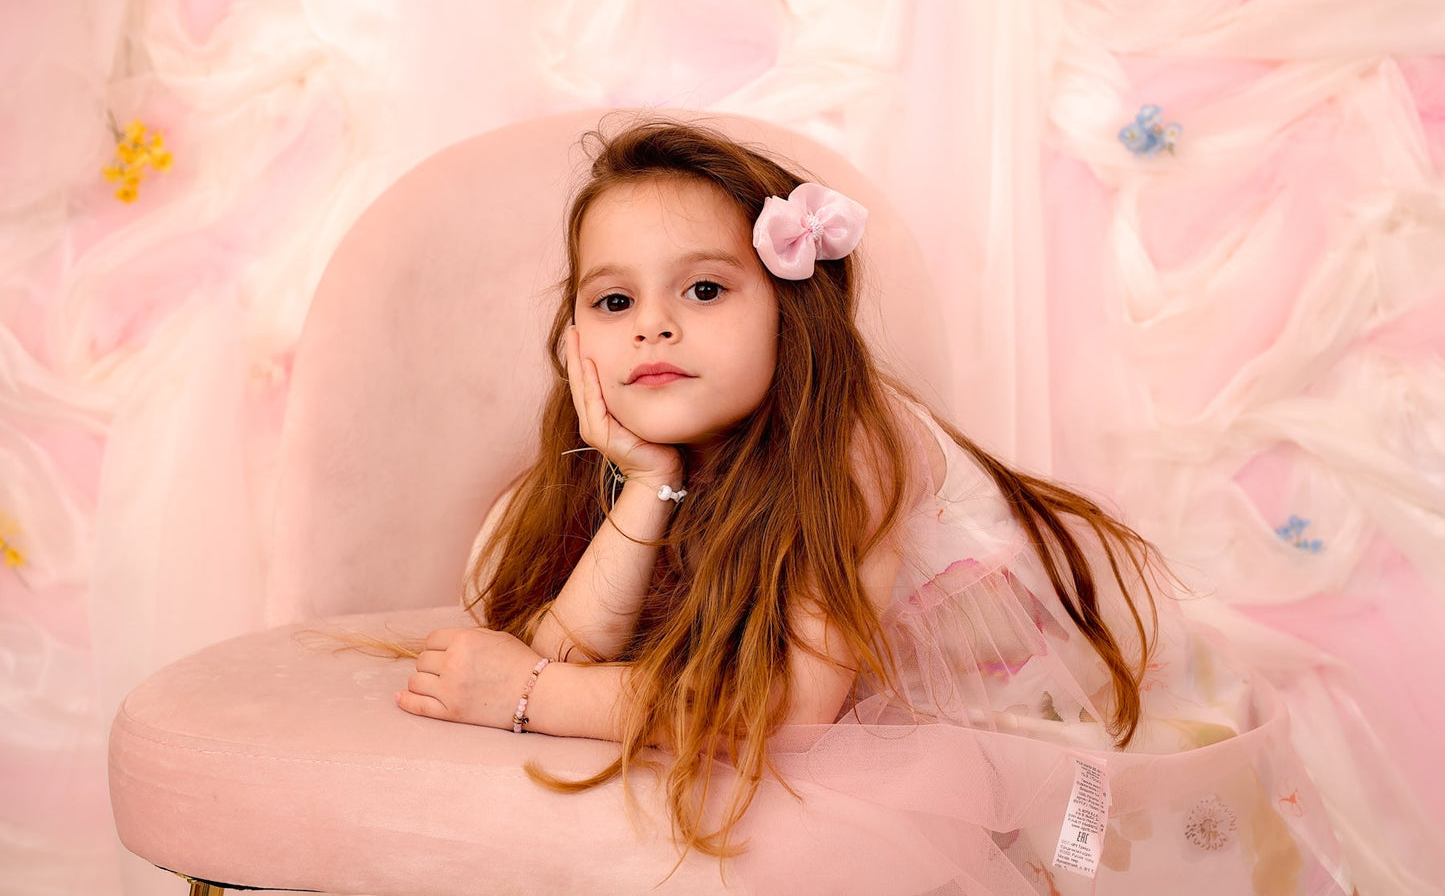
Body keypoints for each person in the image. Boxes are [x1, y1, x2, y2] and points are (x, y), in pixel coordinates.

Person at [392, 120, 1352, 894]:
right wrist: (645, 484)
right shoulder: (639, 458)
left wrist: (529, 697)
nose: (653, 324)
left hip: (1039, 740)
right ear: (571, 341)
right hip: (868, 722)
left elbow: (783, 710)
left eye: (703, 288)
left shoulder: (853, 441)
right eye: (612, 303)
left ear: (790, 312)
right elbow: (562, 652)